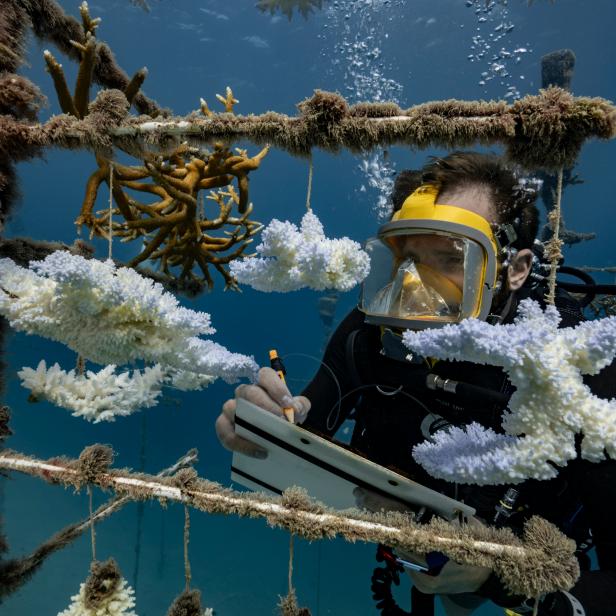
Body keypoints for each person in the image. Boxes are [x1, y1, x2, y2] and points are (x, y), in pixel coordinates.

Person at [215, 151, 616, 616]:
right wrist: (269, 422)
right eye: (405, 260)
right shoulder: (367, 333)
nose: (413, 289)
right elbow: (308, 430)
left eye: (449, 259)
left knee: (458, 593)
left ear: (516, 268)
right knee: (446, 591)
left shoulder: (581, 369)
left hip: (528, 550)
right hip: (416, 543)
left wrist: (499, 576)